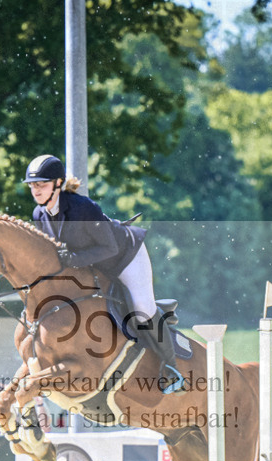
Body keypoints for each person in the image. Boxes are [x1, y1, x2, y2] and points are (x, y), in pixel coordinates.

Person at [22, 154, 185, 392]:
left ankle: (172, 369)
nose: (36, 191)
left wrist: (75, 259)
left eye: (42, 185)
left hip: (126, 257)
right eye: (33, 186)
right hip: (93, 265)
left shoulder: (82, 208)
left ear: (58, 184)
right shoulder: (39, 215)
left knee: (141, 310)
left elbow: (110, 247)